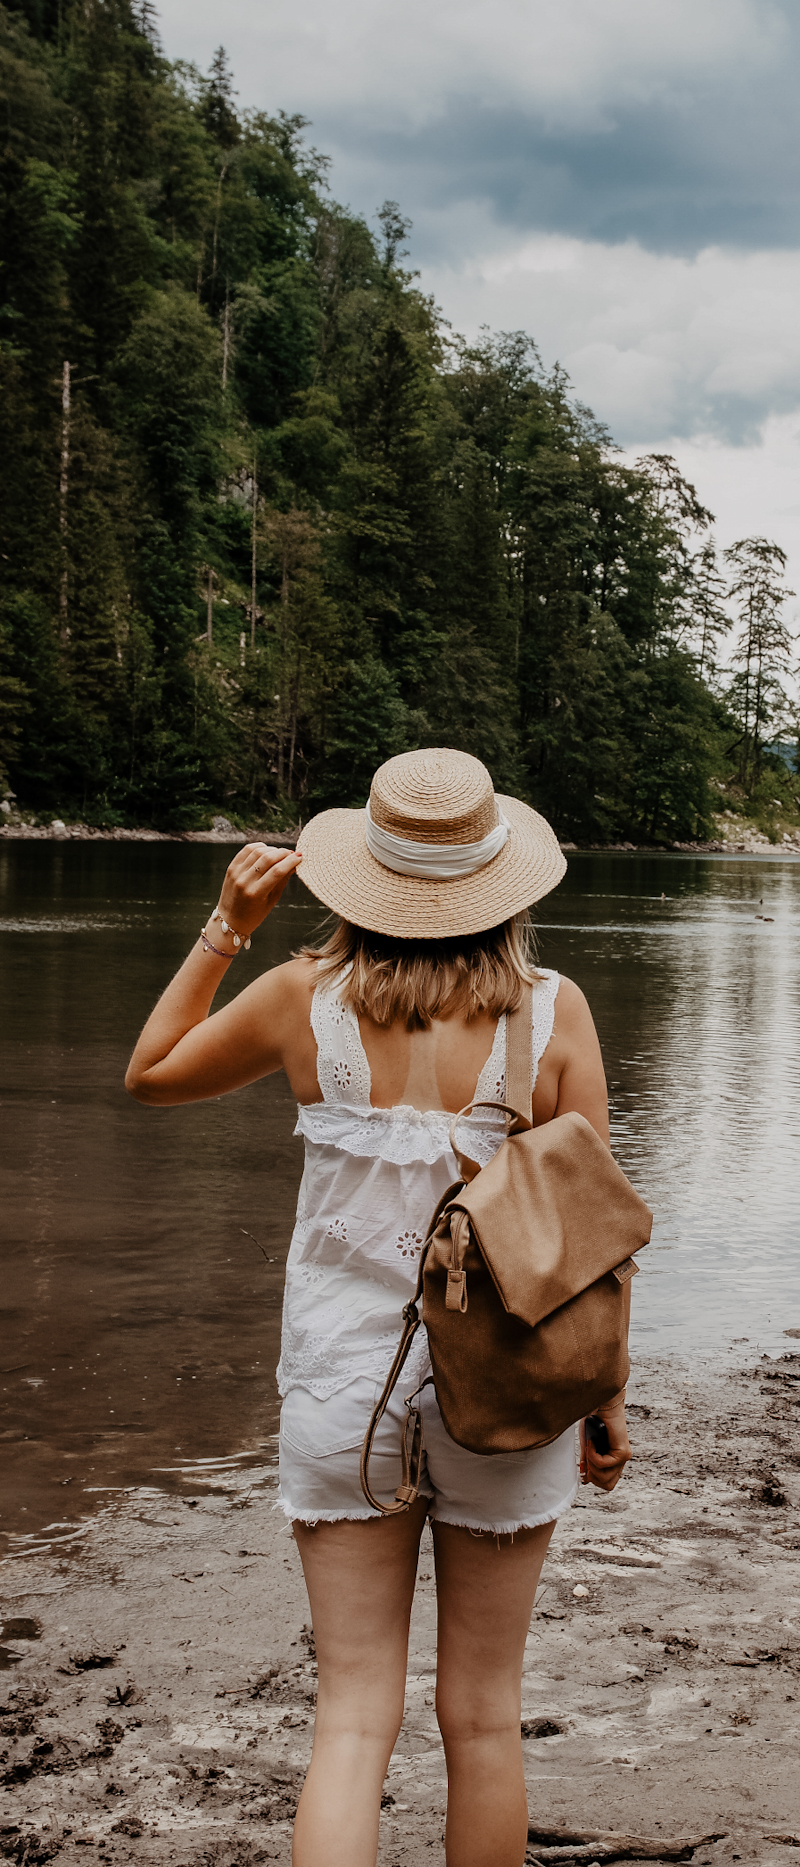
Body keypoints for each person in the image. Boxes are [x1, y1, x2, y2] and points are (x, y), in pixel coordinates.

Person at [125, 748, 630, 1867]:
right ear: (503, 882)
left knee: (352, 1718)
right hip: (504, 1389)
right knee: (485, 1717)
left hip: (341, 1386)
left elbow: (150, 1072)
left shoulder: (302, 998)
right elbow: (591, 1236)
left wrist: (225, 926)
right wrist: (602, 1404)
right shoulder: (555, 1013)